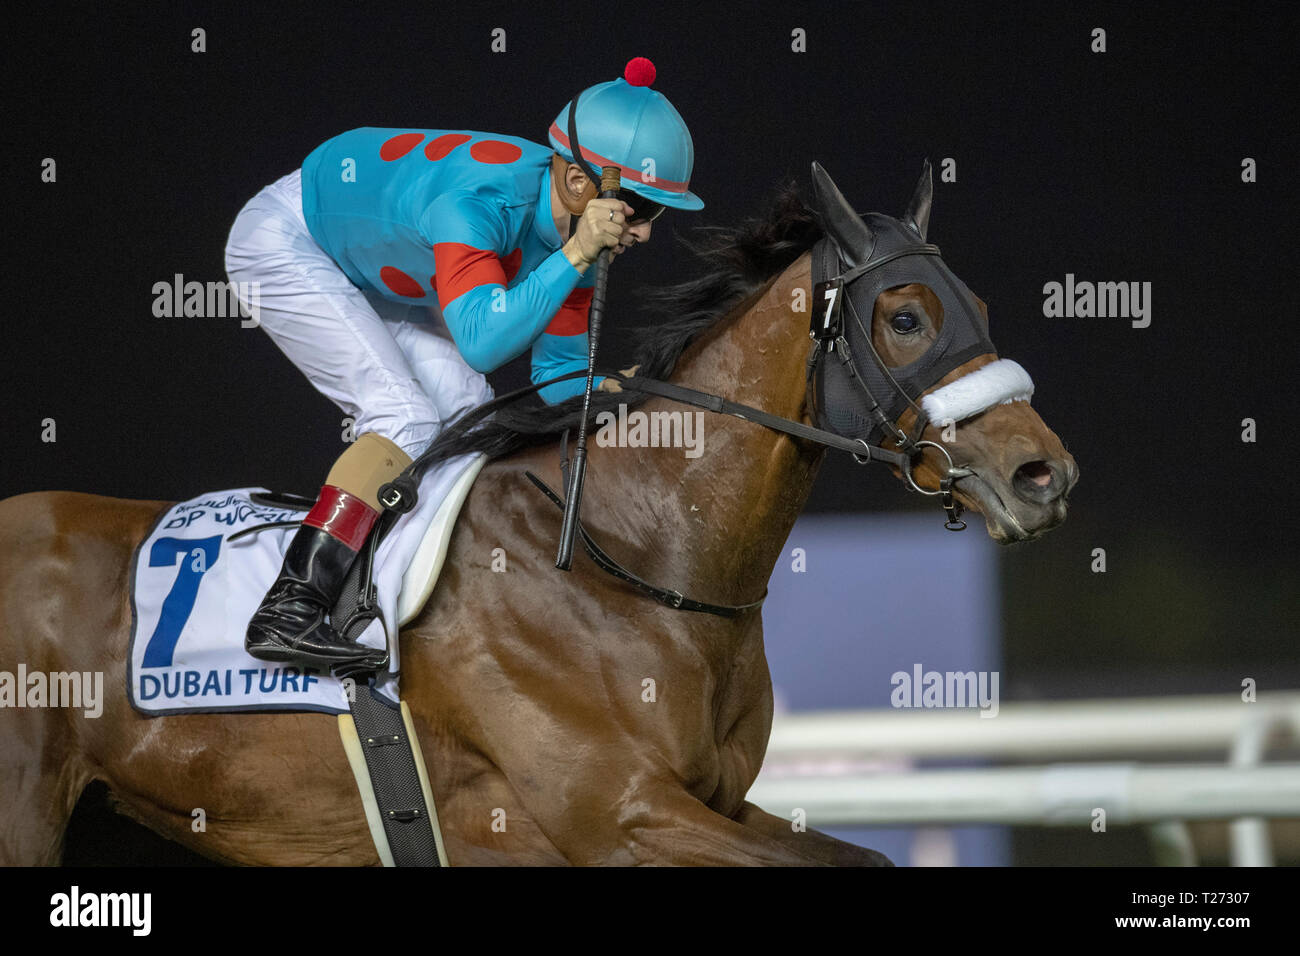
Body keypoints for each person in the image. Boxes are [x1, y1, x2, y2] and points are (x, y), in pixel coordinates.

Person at [223, 57, 703, 669]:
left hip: (389, 269)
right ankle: (291, 608)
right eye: (639, 208)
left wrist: (627, 391)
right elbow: (481, 343)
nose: (645, 232)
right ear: (581, 184)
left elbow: (557, 382)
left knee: (469, 424)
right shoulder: (479, 202)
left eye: (655, 213)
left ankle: (398, 601)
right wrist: (579, 252)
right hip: (292, 240)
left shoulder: (575, 243)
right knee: (405, 416)